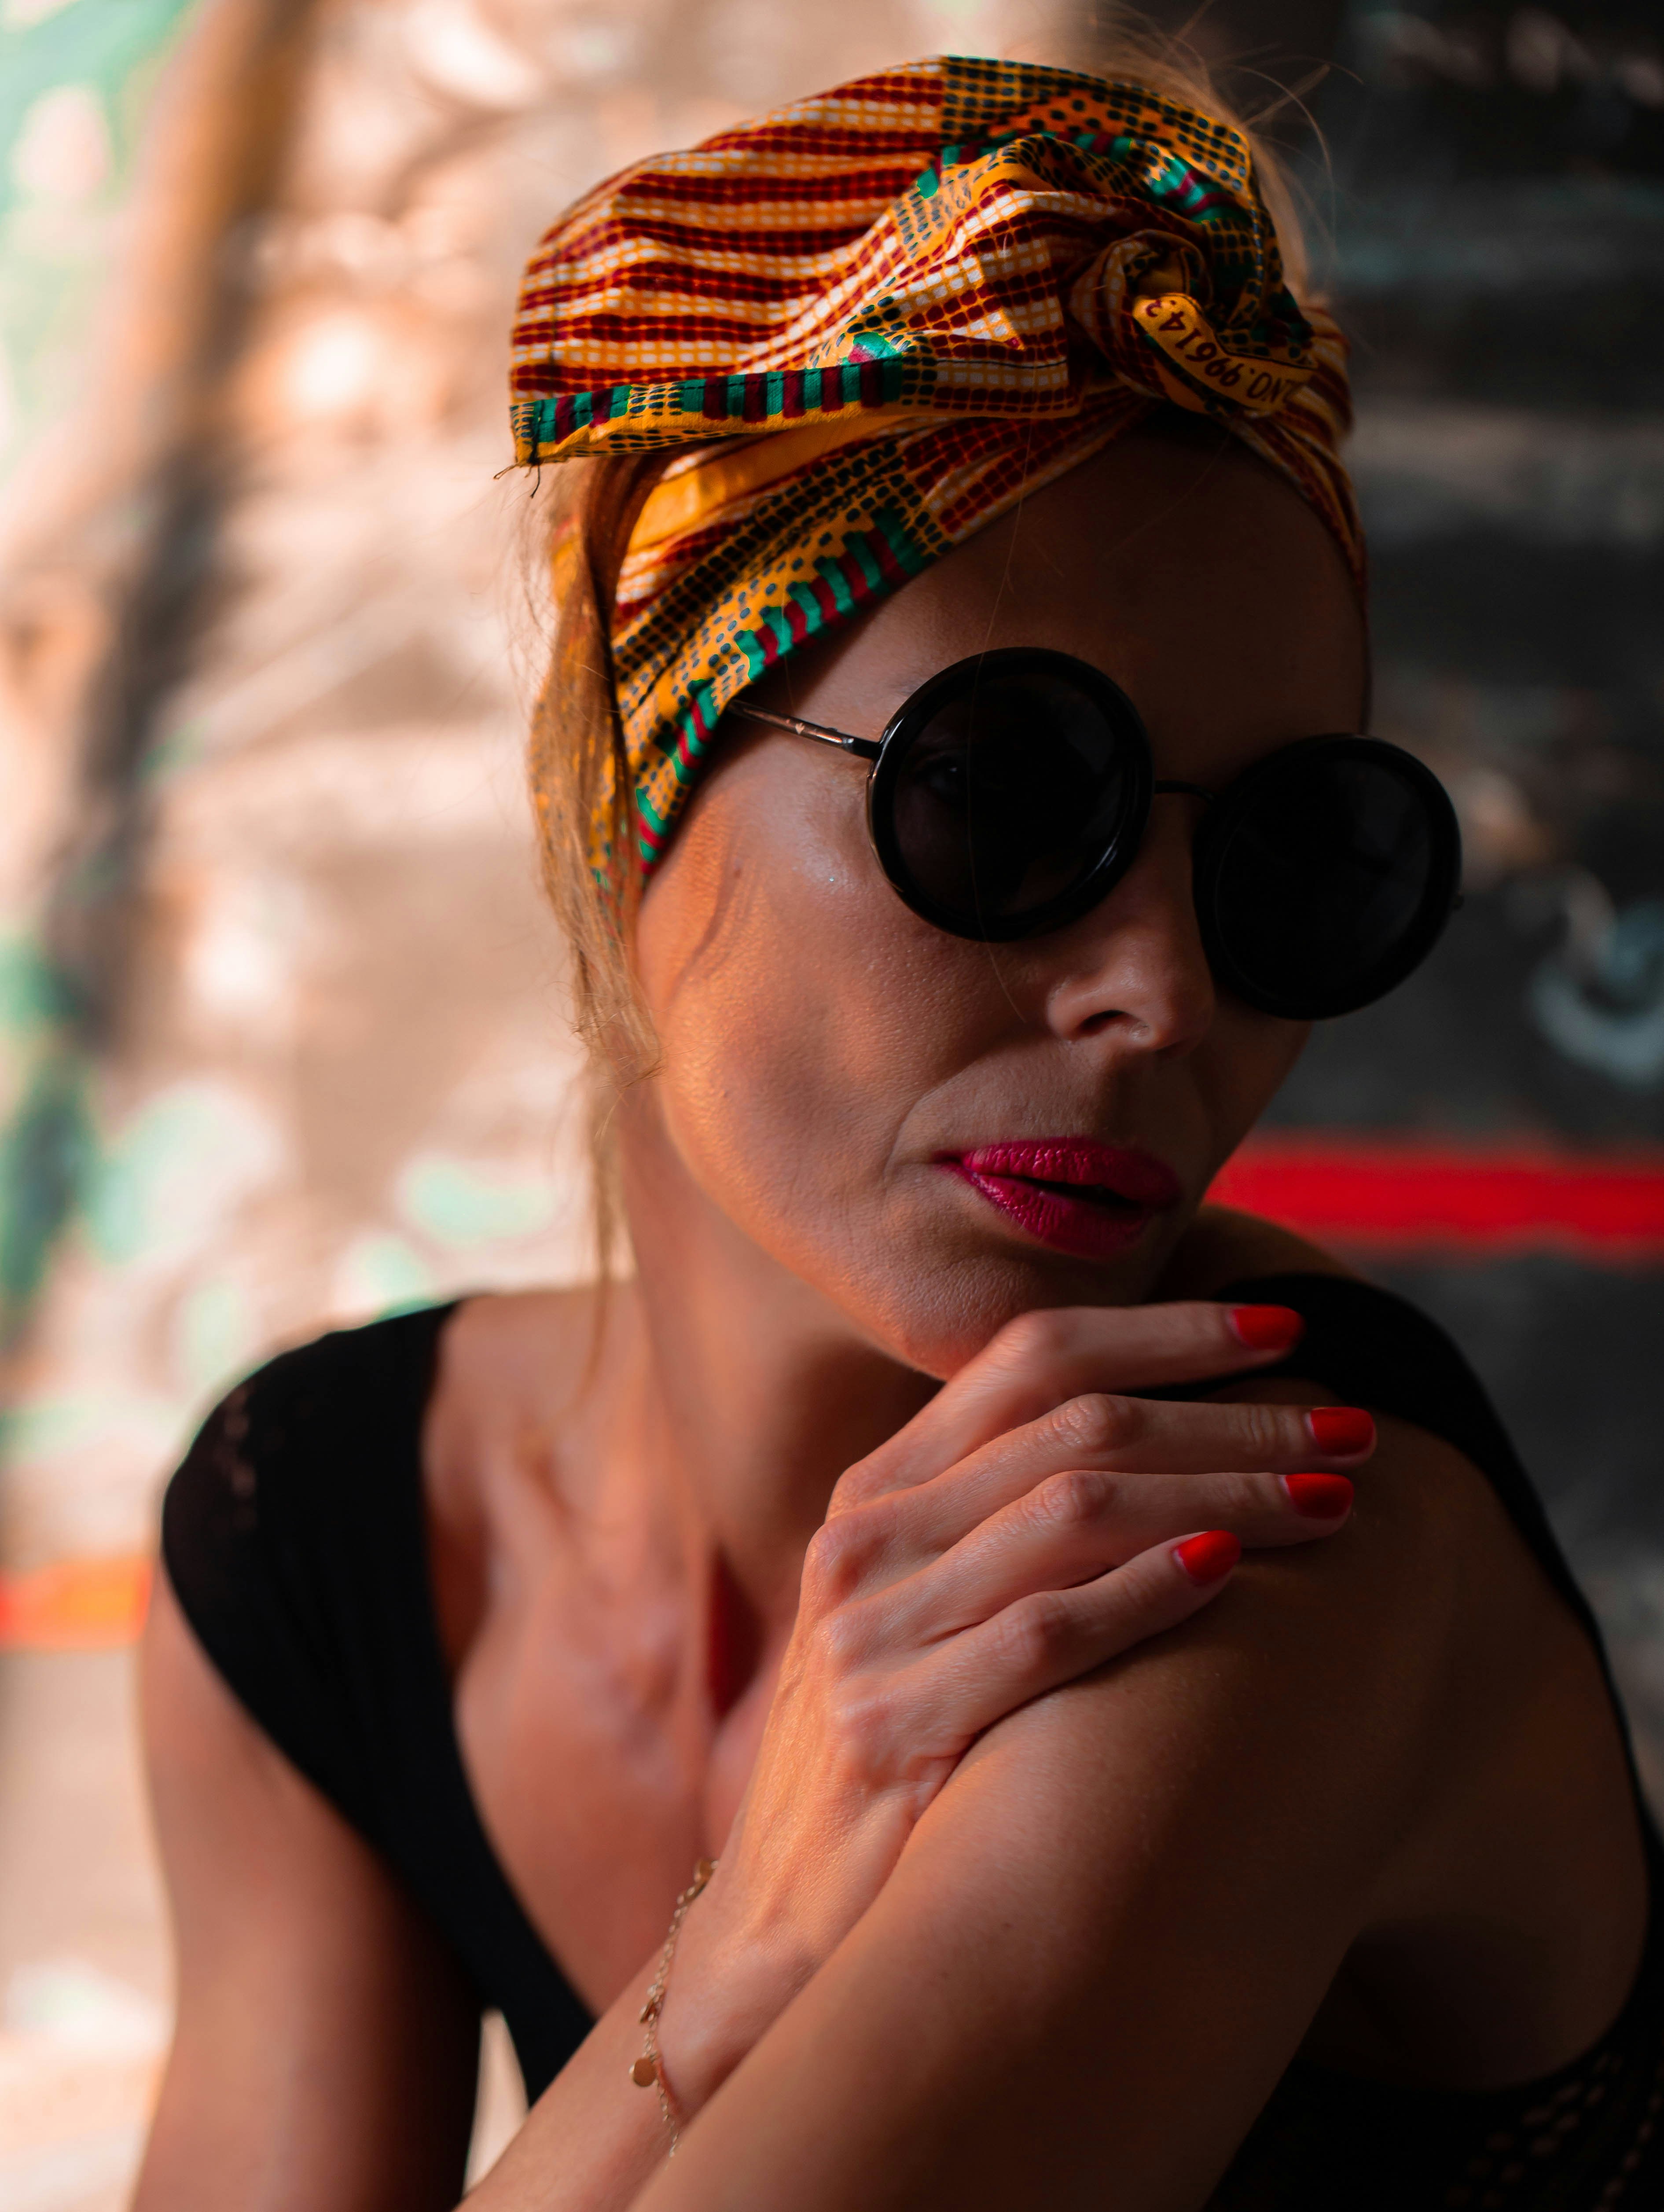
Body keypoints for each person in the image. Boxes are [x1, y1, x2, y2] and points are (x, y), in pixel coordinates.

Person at [136, 44, 1662, 2212]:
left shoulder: (1234, 1562)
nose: (1165, 991)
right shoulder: (331, 1553)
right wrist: (744, 1937)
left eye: (1301, 862)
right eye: (1007, 794)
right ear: (629, 796)